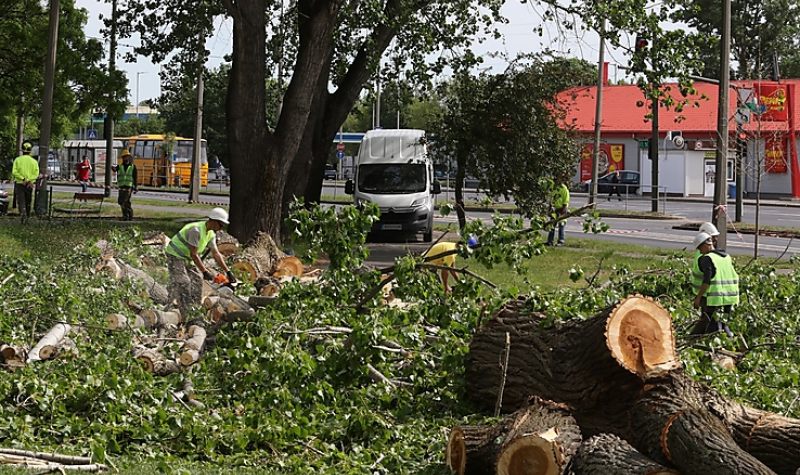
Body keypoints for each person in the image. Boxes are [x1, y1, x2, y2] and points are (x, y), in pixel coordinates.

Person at [166, 207, 235, 313]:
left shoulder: (211, 233)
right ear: (213, 221)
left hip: (186, 257)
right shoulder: (196, 230)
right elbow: (194, 254)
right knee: (184, 281)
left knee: (197, 279)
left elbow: (216, 253)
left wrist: (228, 271)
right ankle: (185, 310)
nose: (221, 228)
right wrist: (204, 271)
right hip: (175, 255)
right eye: (220, 224)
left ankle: (195, 307)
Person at [690, 231, 738, 337]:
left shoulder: (707, 259)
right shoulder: (725, 256)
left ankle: (692, 339)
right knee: (724, 323)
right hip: (730, 296)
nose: (699, 251)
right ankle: (730, 340)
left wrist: (698, 297)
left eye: (699, 247)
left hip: (716, 297)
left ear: (706, 245)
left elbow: (707, 280)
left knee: (709, 321)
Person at [11, 142, 39, 224]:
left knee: (21, 201)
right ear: (30, 151)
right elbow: (36, 173)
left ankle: (23, 216)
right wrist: (29, 180)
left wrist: (23, 179)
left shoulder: (17, 160)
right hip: (29, 184)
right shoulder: (34, 161)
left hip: (20, 183)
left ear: (22, 150)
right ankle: (27, 218)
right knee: (28, 201)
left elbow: (14, 172)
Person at [113, 150, 137, 221]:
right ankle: (126, 215)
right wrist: (112, 168)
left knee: (125, 201)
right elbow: (114, 169)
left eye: (126, 157)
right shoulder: (120, 166)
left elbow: (135, 177)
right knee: (121, 202)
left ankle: (128, 216)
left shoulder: (133, 167)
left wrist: (136, 186)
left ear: (129, 158)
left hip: (128, 187)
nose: (125, 158)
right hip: (121, 187)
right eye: (124, 157)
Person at [546, 181, 570, 246]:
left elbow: (566, 200)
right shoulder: (552, 187)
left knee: (561, 225)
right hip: (554, 209)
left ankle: (561, 241)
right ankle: (550, 241)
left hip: (561, 209)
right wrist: (550, 208)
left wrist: (564, 209)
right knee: (552, 225)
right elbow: (551, 198)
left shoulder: (564, 188)